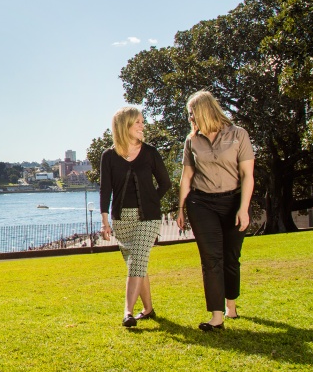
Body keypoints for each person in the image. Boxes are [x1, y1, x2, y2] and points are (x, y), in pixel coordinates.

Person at [176, 91, 255, 331]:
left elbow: (247, 175)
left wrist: (243, 208)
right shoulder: (192, 141)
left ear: (203, 111)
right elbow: (186, 176)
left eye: (192, 113)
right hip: (201, 204)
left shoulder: (238, 135)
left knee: (231, 257)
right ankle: (216, 316)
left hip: (233, 202)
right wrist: (180, 208)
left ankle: (231, 305)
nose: (190, 118)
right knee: (211, 259)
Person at [100, 106, 172, 328]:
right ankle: (148, 309)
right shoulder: (109, 156)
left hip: (148, 218)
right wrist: (104, 221)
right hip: (121, 220)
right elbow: (106, 190)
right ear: (125, 126)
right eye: (137, 122)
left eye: (142, 121)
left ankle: (127, 312)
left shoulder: (150, 152)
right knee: (137, 265)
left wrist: (151, 201)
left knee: (137, 262)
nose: (142, 125)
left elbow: (165, 183)